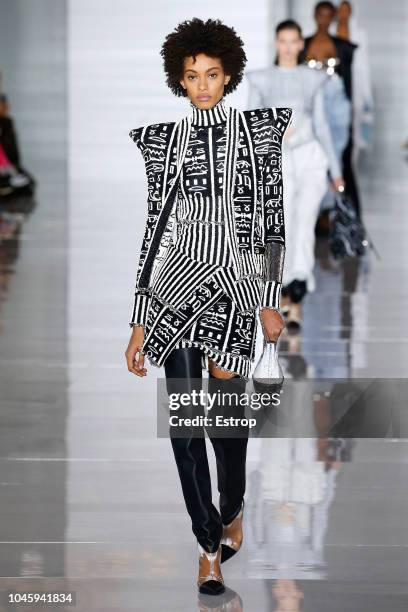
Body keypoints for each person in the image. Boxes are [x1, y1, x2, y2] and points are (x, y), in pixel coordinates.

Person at [124, 18, 292, 595]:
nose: (202, 85)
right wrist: (139, 321)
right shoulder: (163, 144)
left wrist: (272, 302)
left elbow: (272, 224)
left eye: (212, 75)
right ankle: (206, 545)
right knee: (185, 429)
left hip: (237, 290)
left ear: (229, 76)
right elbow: (155, 232)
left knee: (222, 423)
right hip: (177, 288)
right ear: (179, 79)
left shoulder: (258, 136)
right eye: (191, 76)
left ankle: (234, 505)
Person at [246, 20, 344, 332]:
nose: (288, 47)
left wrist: (336, 172)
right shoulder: (261, 80)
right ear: (277, 43)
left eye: (293, 41)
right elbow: (250, 124)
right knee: (283, 223)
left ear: (301, 44)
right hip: (277, 159)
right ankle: (285, 291)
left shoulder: (312, 79)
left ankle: (297, 291)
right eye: (283, 41)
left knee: (305, 221)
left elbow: (323, 125)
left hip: (310, 155)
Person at [300, 1, 360, 216]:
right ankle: (316, 214)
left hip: (336, 107)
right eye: (320, 15)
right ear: (314, 16)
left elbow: (349, 77)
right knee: (311, 157)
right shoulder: (303, 44)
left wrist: (343, 18)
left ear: (332, 17)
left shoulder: (340, 45)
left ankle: (339, 214)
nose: (324, 19)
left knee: (337, 157)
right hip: (310, 104)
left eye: (328, 15)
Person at [331, 1, 374, 164]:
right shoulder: (330, 31)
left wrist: (368, 96)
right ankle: (337, 168)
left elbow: (364, 65)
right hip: (335, 84)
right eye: (341, 10)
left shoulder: (359, 34)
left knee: (354, 127)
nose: (343, 14)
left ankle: (350, 166)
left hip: (355, 85)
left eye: (347, 10)